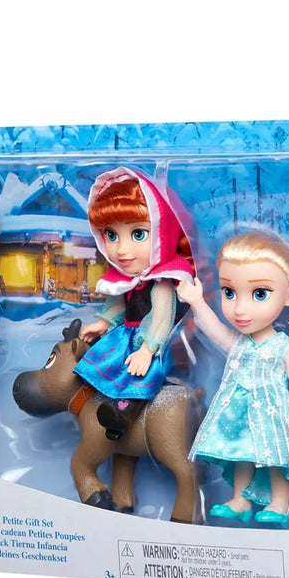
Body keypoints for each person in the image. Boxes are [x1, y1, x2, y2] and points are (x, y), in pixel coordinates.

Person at [176, 232, 289, 524]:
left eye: (260, 293)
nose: (240, 308)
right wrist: (197, 302)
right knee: (240, 455)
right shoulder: (239, 343)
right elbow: (215, 331)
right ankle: (240, 500)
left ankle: (281, 503)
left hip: (273, 414)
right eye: (229, 292)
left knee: (276, 460)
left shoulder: (284, 345)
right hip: (238, 414)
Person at [73, 167, 195, 441]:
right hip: (124, 337)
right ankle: (94, 405)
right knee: (102, 367)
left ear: (163, 233)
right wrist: (102, 322)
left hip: (149, 341)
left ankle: (124, 413)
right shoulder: (127, 280)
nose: (122, 250)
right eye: (111, 235)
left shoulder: (162, 283)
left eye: (138, 234)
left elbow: (162, 318)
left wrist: (148, 349)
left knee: (139, 376)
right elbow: (119, 304)